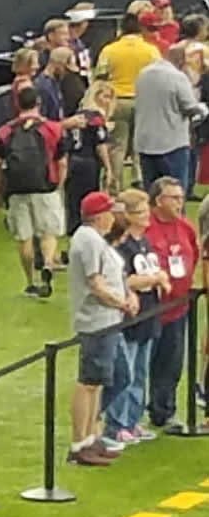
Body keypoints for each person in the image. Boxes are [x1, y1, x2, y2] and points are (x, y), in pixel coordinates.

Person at [67, 190, 137, 466]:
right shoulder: (88, 241)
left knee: (100, 382)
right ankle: (79, 442)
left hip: (108, 320)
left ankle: (90, 439)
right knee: (89, 382)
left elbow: (113, 276)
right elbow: (96, 284)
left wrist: (124, 297)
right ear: (99, 215)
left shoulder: (96, 240)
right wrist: (122, 302)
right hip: (96, 320)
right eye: (110, 212)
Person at [0, 83, 68, 298]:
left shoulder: (5, 131)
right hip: (46, 187)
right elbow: (62, 162)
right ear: (38, 104)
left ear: (17, 104)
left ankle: (30, 281)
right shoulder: (53, 129)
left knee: (24, 237)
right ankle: (49, 263)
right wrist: (59, 186)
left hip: (16, 189)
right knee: (48, 233)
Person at [103, 190, 167, 446]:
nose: (147, 215)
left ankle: (133, 419)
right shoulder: (121, 246)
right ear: (127, 216)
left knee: (140, 371)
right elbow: (125, 279)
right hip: (130, 318)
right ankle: (116, 424)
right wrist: (155, 279)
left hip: (149, 314)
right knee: (126, 371)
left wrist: (158, 278)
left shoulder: (145, 242)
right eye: (140, 212)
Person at [144, 177, 200, 433]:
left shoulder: (185, 227)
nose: (180, 202)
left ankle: (162, 411)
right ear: (158, 201)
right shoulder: (145, 229)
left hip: (178, 308)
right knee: (141, 363)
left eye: (181, 197)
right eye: (174, 198)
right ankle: (125, 417)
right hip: (150, 309)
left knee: (171, 362)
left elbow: (194, 255)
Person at [93, 10, 161, 189]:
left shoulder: (109, 50)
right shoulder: (151, 50)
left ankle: (114, 184)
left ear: (121, 29)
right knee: (141, 146)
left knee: (117, 146)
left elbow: (100, 75)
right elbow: (159, 74)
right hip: (143, 101)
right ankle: (139, 181)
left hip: (117, 101)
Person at [133, 43, 207, 190]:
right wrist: (203, 109)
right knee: (175, 190)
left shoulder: (143, 73)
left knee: (152, 190)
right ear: (181, 60)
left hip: (145, 140)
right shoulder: (178, 77)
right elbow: (190, 106)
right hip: (171, 142)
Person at [64, 80, 114, 236]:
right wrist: (108, 167)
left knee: (73, 199)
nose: (108, 101)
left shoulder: (77, 115)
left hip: (73, 160)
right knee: (88, 198)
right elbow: (100, 145)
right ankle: (87, 229)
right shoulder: (96, 118)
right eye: (105, 97)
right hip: (88, 162)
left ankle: (73, 228)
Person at [35, 46, 84, 122]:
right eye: (65, 69)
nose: (66, 74)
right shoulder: (43, 86)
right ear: (58, 64)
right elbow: (42, 120)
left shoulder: (56, 82)